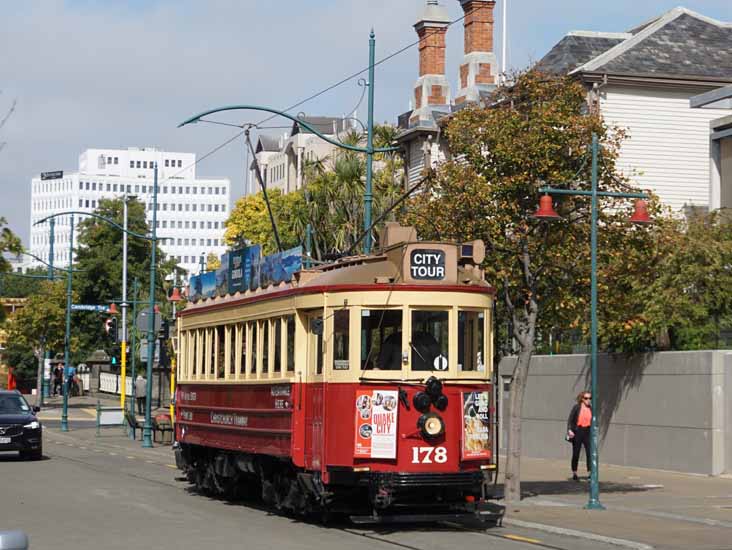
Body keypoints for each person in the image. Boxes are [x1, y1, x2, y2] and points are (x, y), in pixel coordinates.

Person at [567, 391, 593, 481]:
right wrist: (569, 430)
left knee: (589, 453)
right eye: (586, 398)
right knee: (576, 453)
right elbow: (570, 419)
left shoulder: (591, 409)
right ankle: (574, 473)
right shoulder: (577, 407)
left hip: (587, 432)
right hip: (578, 431)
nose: (588, 400)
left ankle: (590, 473)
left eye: (590, 398)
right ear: (582, 399)